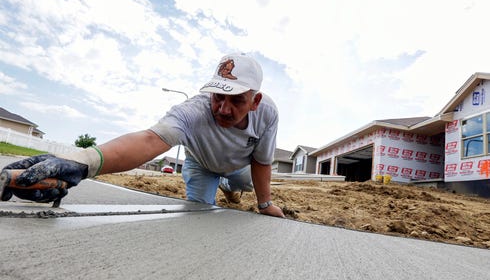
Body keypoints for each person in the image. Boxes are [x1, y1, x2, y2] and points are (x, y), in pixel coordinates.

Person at [1, 53, 285, 218]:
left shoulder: (268, 113)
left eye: (236, 100)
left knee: (244, 183)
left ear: (255, 101)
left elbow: (261, 161)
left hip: (240, 165)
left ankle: (229, 185)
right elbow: (149, 140)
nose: (223, 109)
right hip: (201, 165)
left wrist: (265, 204)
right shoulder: (192, 112)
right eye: (217, 97)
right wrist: (81, 162)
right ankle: (217, 183)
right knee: (199, 211)